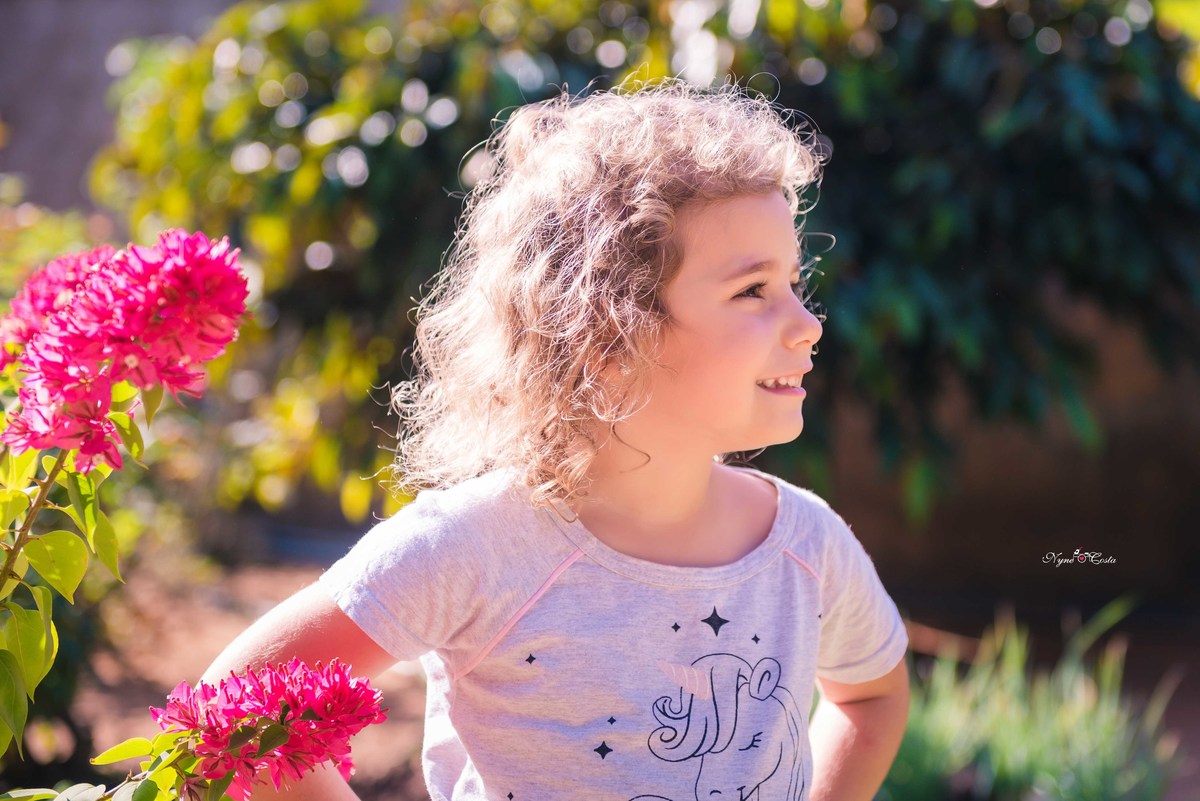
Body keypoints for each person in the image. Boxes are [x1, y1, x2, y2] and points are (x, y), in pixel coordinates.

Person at [204, 78, 911, 801]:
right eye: (752, 291)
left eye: (795, 284)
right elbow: (237, 710)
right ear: (606, 333)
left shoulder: (805, 548)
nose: (808, 323)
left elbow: (873, 695)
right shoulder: (477, 545)